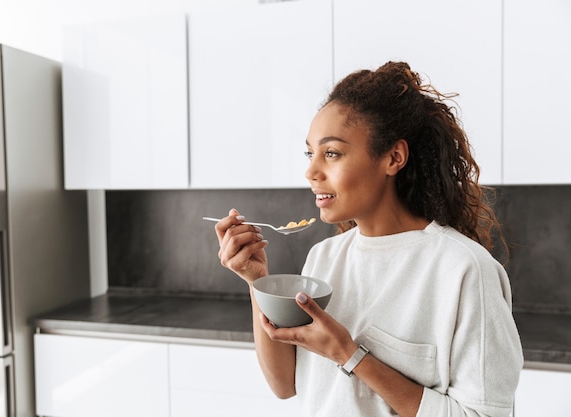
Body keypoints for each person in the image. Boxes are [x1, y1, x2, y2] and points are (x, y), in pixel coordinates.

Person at [212, 61, 523, 417]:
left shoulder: (465, 269)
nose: (311, 171)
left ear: (393, 157)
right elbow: (285, 385)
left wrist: (350, 355)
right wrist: (257, 280)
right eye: (309, 153)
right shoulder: (323, 258)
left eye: (332, 153)